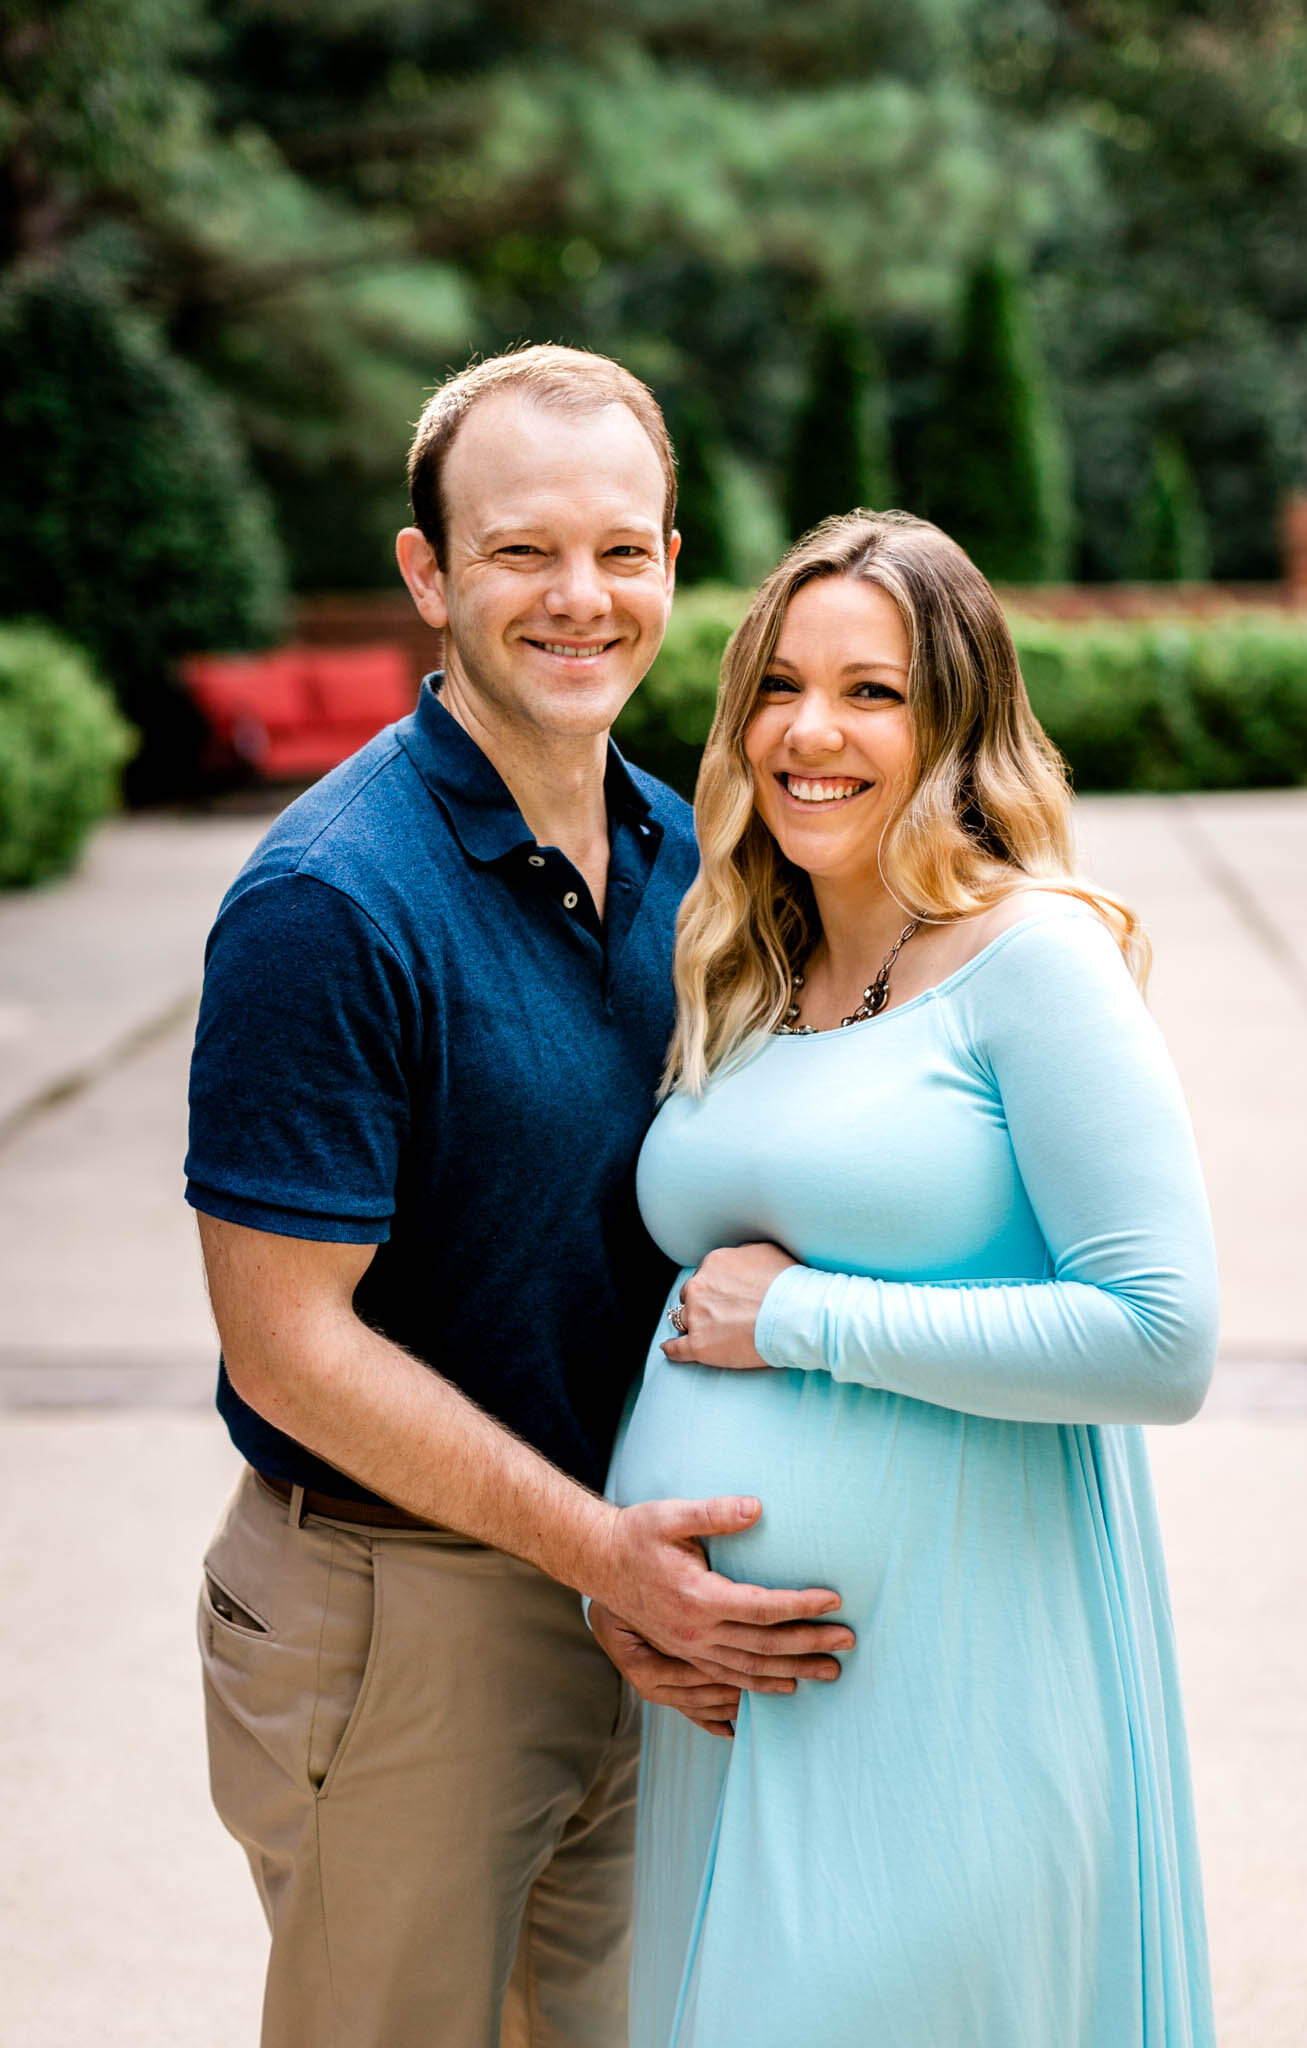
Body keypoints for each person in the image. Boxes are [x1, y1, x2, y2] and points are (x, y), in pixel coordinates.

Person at [185, 344, 853, 2048]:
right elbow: (286, 1349)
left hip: (633, 1591)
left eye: (622, 551)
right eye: (520, 551)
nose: (582, 598)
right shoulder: (329, 905)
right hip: (404, 1620)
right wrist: (601, 1557)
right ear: (427, 574)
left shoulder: (693, 856)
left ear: (672, 568)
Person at [607, 509, 1219, 2047]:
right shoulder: (740, 961)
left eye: (872, 691)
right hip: (726, 1709)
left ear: (957, 721)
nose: (812, 732)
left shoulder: (1035, 961)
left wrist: (802, 1320)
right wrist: (619, 1569)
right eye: (780, 685)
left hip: (949, 1702)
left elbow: (1160, 1340)